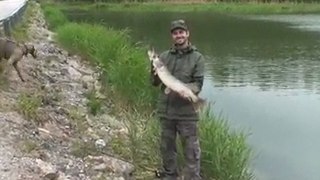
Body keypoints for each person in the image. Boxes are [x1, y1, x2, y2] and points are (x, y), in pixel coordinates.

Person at [150, 19, 205, 180]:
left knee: (191, 150)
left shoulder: (197, 57)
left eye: (181, 32)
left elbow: (198, 84)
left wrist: (187, 91)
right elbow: (155, 83)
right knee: (167, 147)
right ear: (172, 36)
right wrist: (153, 69)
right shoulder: (164, 57)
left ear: (187, 34)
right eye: (175, 33)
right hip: (167, 112)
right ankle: (170, 175)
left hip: (187, 113)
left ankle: (192, 177)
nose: (178, 35)